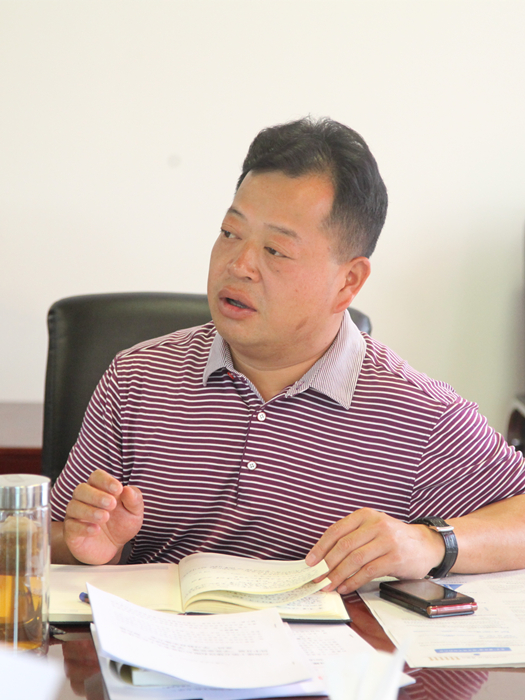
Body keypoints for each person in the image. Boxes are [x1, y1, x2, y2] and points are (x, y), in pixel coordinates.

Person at [50, 117, 525, 594]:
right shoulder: (137, 378)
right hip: (152, 635)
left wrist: (431, 542)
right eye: (230, 233)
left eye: (275, 250)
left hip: (322, 643)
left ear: (348, 282)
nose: (238, 265)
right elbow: (54, 533)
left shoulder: (419, 415)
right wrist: (84, 546)